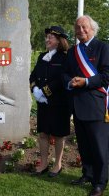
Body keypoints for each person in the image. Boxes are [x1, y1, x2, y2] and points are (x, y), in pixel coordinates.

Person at [63, 15, 109, 196]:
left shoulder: (102, 47)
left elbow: (106, 75)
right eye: (77, 28)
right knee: (84, 145)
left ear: (92, 29)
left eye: (84, 27)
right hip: (77, 105)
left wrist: (86, 82)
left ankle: (100, 182)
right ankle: (87, 174)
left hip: (95, 105)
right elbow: (65, 73)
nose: (80, 31)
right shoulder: (73, 51)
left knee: (99, 147)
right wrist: (70, 82)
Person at [30, 26, 71, 177]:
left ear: (59, 41)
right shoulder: (42, 57)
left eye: (50, 37)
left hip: (59, 103)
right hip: (43, 104)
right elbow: (33, 76)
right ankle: (43, 163)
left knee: (59, 135)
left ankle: (58, 164)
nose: (47, 39)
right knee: (43, 134)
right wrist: (35, 90)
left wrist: (45, 92)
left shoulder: (65, 58)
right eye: (46, 37)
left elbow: (61, 79)